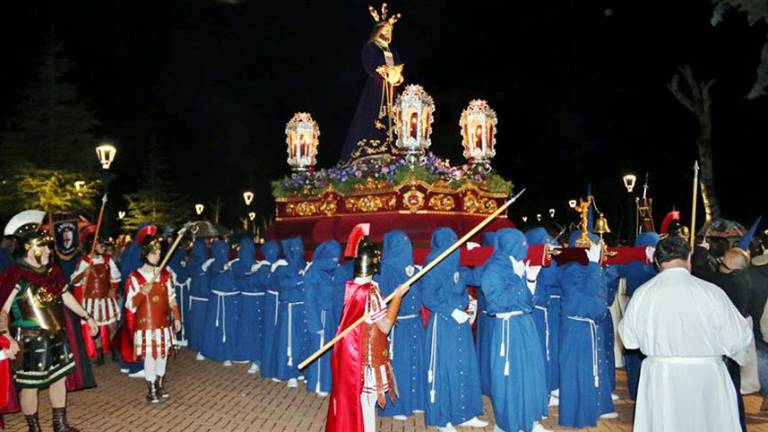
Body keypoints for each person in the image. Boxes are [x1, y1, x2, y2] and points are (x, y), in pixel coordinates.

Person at [619, 235, 752, 432]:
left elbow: (629, 340)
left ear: (657, 262)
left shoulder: (643, 294)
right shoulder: (712, 292)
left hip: (662, 377)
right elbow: (739, 337)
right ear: (689, 257)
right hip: (706, 376)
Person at [0, 209, 98, 431]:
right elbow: (3, 311)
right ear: (29, 248)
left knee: (59, 379)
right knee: (30, 386)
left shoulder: (51, 272)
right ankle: (34, 428)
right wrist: (6, 336)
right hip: (30, 340)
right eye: (43, 246)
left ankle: (60, 424)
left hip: (56, 335)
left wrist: (87, 316)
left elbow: (65, 296)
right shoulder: (16, 276)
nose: (48, 250)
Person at [326, 224, 404, 432]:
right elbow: (385, 326)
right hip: (367, 360)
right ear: (375, 262)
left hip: (354, 358)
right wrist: (397, 297)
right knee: (367, 407)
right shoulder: (370, 293)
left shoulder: (352, 287)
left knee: (360, 403)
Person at [481, 228, 549, 432]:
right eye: (519, 245)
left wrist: (530, 280)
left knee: (530, 373)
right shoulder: (492, 270)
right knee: (510, 378)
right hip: (508, 329)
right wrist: (521, 280)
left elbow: (528, 303)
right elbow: (498, 302)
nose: (524, 249)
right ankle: (507, 423)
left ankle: (529, 419)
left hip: (525, 326)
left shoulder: (517, 265)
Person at [422, 228, 487, 432]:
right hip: (443, 322)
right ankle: (443, 419)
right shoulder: (434, 264)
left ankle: (465, 413)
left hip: (461, 323)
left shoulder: (456, 264)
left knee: (465, 366)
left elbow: (477, 278)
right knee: (445, 369)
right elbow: (428, 297)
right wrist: (451, 311)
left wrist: (479, 256)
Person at [557, 232, 613, 428]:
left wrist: (596, 268)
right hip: (577, 326)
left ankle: (591, 409)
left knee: (589, 370)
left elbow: (600, 294)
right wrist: (593, 268)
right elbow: (583, 297)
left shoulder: (586, 267)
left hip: (588, 325)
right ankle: (575, 416)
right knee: (575, 372)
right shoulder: (572, 269)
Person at [124, 224, 182, 404]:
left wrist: (177, 318)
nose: (158, 256)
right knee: (150, 355)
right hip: (146, 325)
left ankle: (159, 383)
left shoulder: (165, 276)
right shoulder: (135, 278)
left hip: (163, 323)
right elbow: (130, 305)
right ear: (146, 254)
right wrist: (143, 292)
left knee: (163, 355)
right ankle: (150, 389)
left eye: (159, 253)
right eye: (154, 253)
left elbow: (171, 299)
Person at [376, 230, 426, 420]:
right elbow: (380, 299)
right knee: (399, 364)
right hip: (397, 326)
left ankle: (415, 401)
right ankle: (396, 406)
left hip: (414, 322)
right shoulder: (384, 270)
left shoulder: (414, 269)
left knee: (416, 361)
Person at [70, 225, 121, 366]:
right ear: (92, 245)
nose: (103, 246)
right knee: (95, 328)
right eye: (100, 244)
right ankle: (99, 355)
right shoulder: (84, 261)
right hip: (91, 300)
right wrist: (83, 273)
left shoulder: (107, 260)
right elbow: (73, 280)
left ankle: (115, 352)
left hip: (106, 299)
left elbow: (116, 276)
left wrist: (113, 289)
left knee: (113, 327)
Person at [525, 228, 561, 404]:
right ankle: (541, 394)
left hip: (545, 308)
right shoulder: (533, 258)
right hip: (537, 309)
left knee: (549, 350)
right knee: (540, 351)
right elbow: (550, 278)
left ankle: (550, 387)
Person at [623, 231, 659, 400]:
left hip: (635, 307)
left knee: (635, 349)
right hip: (649, 309)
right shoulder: (647, 265)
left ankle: (636, 389)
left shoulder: (632, 261)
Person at [304, 240, 341, 396]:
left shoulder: (336, 271)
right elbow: (309, 298)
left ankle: (327, 381)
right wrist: (315, 323)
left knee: (330, 350)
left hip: (331, 316)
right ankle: (318, 383)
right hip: (320, 315)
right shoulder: (313, 272)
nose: (334, 259)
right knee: (319, 349)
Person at [275, 236, 308, 388]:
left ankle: (300, 369)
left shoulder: (304, 264)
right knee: (290, 342)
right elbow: (283, 284)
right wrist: (299, 280)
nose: (297, 251)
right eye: (293, 248)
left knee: (302, 340)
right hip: (289, 309)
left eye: (299, 248)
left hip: (302, 308)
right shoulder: (282, 266)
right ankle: (290, 373)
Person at [200, 239, 240, 365]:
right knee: (212, 326)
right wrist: (222, 267)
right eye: (220, 250)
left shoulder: (231, 265)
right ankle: (207, 350)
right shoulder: (212, 264)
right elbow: (213, 272)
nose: (223, 253)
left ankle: (228, 354)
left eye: (225, 250)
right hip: (216, 300)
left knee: (228, 327)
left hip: (229, 300)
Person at [232, 236, 264, 374]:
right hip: (246, 301)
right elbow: (241, 273)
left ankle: (257, 359)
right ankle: (246, 354)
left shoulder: (259, 264)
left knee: (258, 330)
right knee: (247, 330)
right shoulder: (237, 265)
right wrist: (252, 270)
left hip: (260, 301)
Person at [259, 240, 281, 379]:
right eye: (270, 251)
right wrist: (272, 270)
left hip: (280, 302)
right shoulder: (263, 266)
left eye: (275, 251)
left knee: (279, 334)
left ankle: (279, 366)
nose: (273, 254)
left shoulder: (281, 265)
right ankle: (267, 367)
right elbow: (265, 282)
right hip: (270, 301)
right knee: (269, 333)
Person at [187, 238, 210, 359]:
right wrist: (202, 269)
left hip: (204, 294)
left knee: (202, 322)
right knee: (198, 322)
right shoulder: (194, 260)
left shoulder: (204, 258)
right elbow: (191, 271)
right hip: (198, 295)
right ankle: (198, 345)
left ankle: (202, 345)